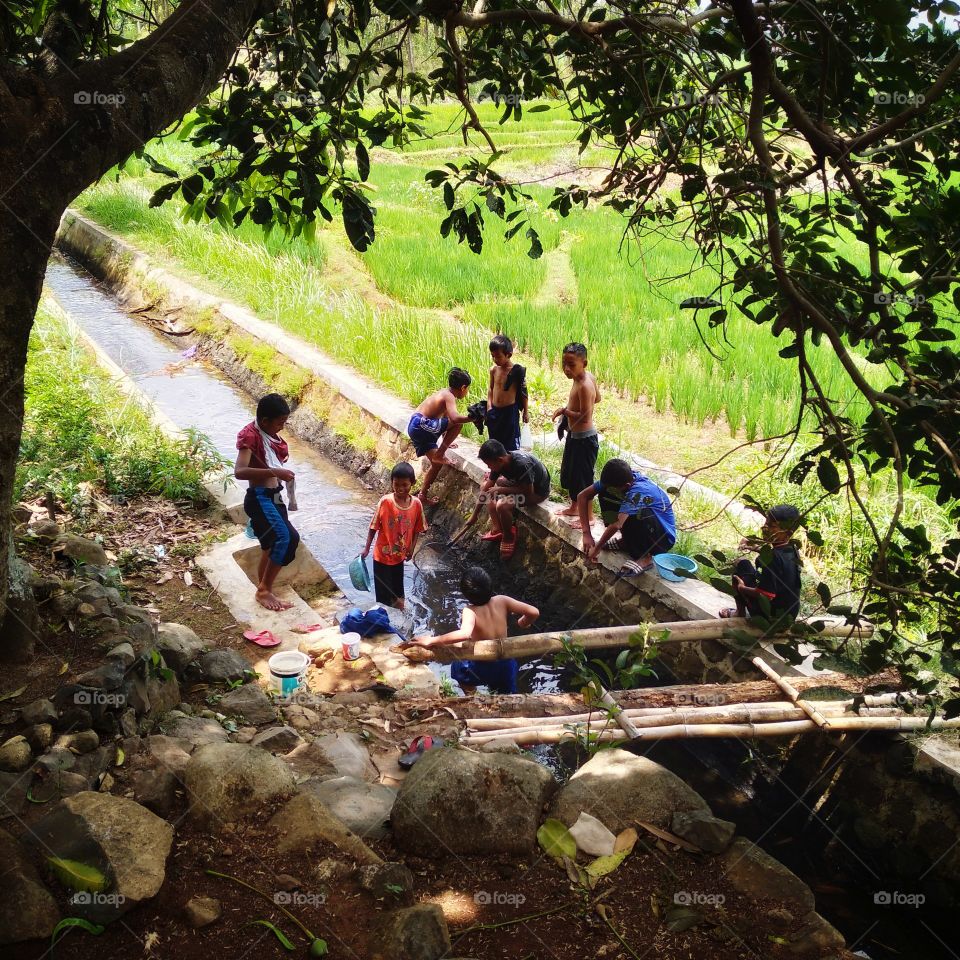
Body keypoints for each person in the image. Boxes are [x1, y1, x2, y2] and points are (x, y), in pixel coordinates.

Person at [401, 566, 539, 694]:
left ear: (466, 595)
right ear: (490, 585)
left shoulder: (470, 611)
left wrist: (432, 640)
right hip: (505, 664)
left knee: (458, 667)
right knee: (506, 694)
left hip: (482, 666)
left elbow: (464, 634)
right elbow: (533, 612)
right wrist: (523, 622)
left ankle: (472, 695)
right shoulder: (502, 600)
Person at [235, 393, 301, 611]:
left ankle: (264, 588)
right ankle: (264, 590)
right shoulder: (250, 436)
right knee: (286, 538)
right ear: (265, 421)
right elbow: (240, 471)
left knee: (270, 545)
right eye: (280, 422)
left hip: (274, 496)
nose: (282, 427)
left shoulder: (267, 435)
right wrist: (273, 470)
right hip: (260, 498)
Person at [577, 457, 676, 575]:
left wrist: (597, 548)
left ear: (627, 485)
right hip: (646, 530)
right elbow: (582, 496)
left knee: (639, 513)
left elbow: (616, 524)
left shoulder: (639, 491)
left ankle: (645, 557)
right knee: (605, 492)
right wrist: (586, 533)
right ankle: (626, 542)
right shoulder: (620, 478)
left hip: (661, 539)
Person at [361, 462, 427, 611]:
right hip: (382, 558)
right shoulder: (386, 502)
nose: (400, 489)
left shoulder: (416, 504)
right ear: (392, 483)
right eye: (396, 485)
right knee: (383, 599)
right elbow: (373, 527)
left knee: (398, 596)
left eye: (404, 485)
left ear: (413, 483)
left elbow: (417, 529)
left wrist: (411, 548)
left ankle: (400, 622)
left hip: (399, 557)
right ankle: (385, 622)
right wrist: (366, 549)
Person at [720, 505, 802, 624]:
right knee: (744, 564)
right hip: (788, 616)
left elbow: (766, 595)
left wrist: (741, 588)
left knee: (739, 569)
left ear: (788, 533)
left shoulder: (772, 559)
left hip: (770, 619)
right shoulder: (792, 548)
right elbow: (779, 556)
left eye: (772, 526)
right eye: (766, 523)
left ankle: (739, 613)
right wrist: (755, 547)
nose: (765, 528)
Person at [407, 367, 476, 505]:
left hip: (419, 428)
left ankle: (422, 494)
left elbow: (444, 420)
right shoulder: (448, 396)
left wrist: (446, 441)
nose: (466, 392)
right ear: (463, 387)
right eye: (467, 389)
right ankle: (440, 454)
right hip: (420, 424)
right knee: (458, 424)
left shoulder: (445, 394)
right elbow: (455, 419)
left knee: (436, 464)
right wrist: (472, 418)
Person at [477, 439, 551, 560]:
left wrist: (501, 490)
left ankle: (508, 536)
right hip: (520, 483)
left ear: (500, 460)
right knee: (486, 485)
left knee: (502, 505)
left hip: (537, 492)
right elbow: (487, 488)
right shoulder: (500, 462)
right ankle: (497, 528)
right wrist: (474, 515)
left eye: (489, 465)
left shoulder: (522, 465)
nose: (489, 467)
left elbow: (528, 492)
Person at [552, 342, 601, 527]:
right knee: (571, 474)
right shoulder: (583, 378)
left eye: (571, 365)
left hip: (585, 439)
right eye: (564, 363)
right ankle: (574, 507)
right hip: (575, 436)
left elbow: (585, 416)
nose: (566, 369)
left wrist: (565, 411)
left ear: (584, 363)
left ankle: (588, 518)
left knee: (583, 478)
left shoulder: (584, 385)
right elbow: (598, 398)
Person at [486, 334, 528, 453]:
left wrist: (526, 411)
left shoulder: (517, 371)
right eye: (493, 356)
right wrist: (489, 406)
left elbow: (524, 392)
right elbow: (491, 388)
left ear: (508, 355)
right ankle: (494, 470)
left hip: (509, 413)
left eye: (498, 356)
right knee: (494, 442)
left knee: (510, 443)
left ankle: (509, 470)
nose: (495, 359)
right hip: (494, 411)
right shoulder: (494, 370)